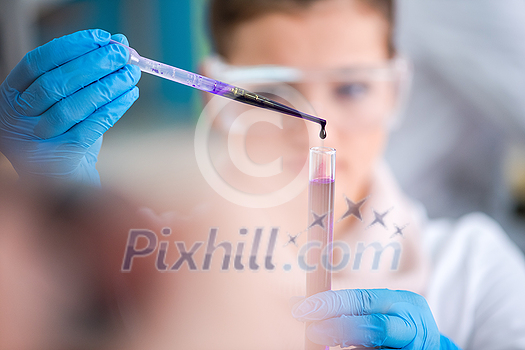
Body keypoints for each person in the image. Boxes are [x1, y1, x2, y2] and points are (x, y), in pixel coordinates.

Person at [1, 1, 525, 350]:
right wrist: (64, 215)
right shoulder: (144, 260)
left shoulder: (476, 271)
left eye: (352, 88)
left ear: (396, 90)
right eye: (271, 94)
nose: (312, 126)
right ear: (216, 93)